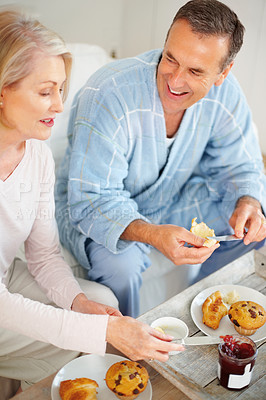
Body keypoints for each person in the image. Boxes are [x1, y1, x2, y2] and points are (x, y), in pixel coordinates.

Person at [0, 10, 183, 397]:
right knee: (89, 337)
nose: (59, 107)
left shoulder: (37, 155)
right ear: (2, 89)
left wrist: (81, 304)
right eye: (45, 91)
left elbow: (45, 256)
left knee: (100, 300)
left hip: (6, 281)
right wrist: (103, 330)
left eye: (62, 90)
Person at [55, 0, 266, 318]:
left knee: (253, 224)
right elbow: (91, 199)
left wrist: (248, 201)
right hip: (101, 210)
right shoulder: (108, 94)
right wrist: (153, 233)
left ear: (223, 73)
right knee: (121, 266)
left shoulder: (226, 93)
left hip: (173, 200)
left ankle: (204, 313)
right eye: (170, 58)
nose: (175, 80)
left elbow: (240, 165)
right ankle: (129, 345)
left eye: (195, 71)